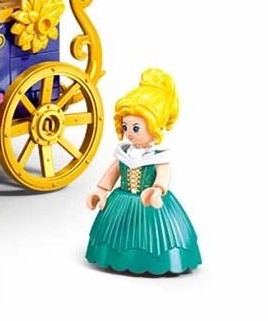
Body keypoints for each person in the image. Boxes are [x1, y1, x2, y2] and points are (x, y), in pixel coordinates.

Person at [85, 68, 201, 275]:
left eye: (136, 128)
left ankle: (151, 261)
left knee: (153, 237)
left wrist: (157, 190)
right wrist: (101, 191)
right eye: (125, 126)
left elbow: (163, 176)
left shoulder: (158, 158)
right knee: (116, 235)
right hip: (121, 202)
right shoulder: (124, 154)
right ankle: (116, 258)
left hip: (148, 201)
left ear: (155, 126)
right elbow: (113, 173)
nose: (129, 133)